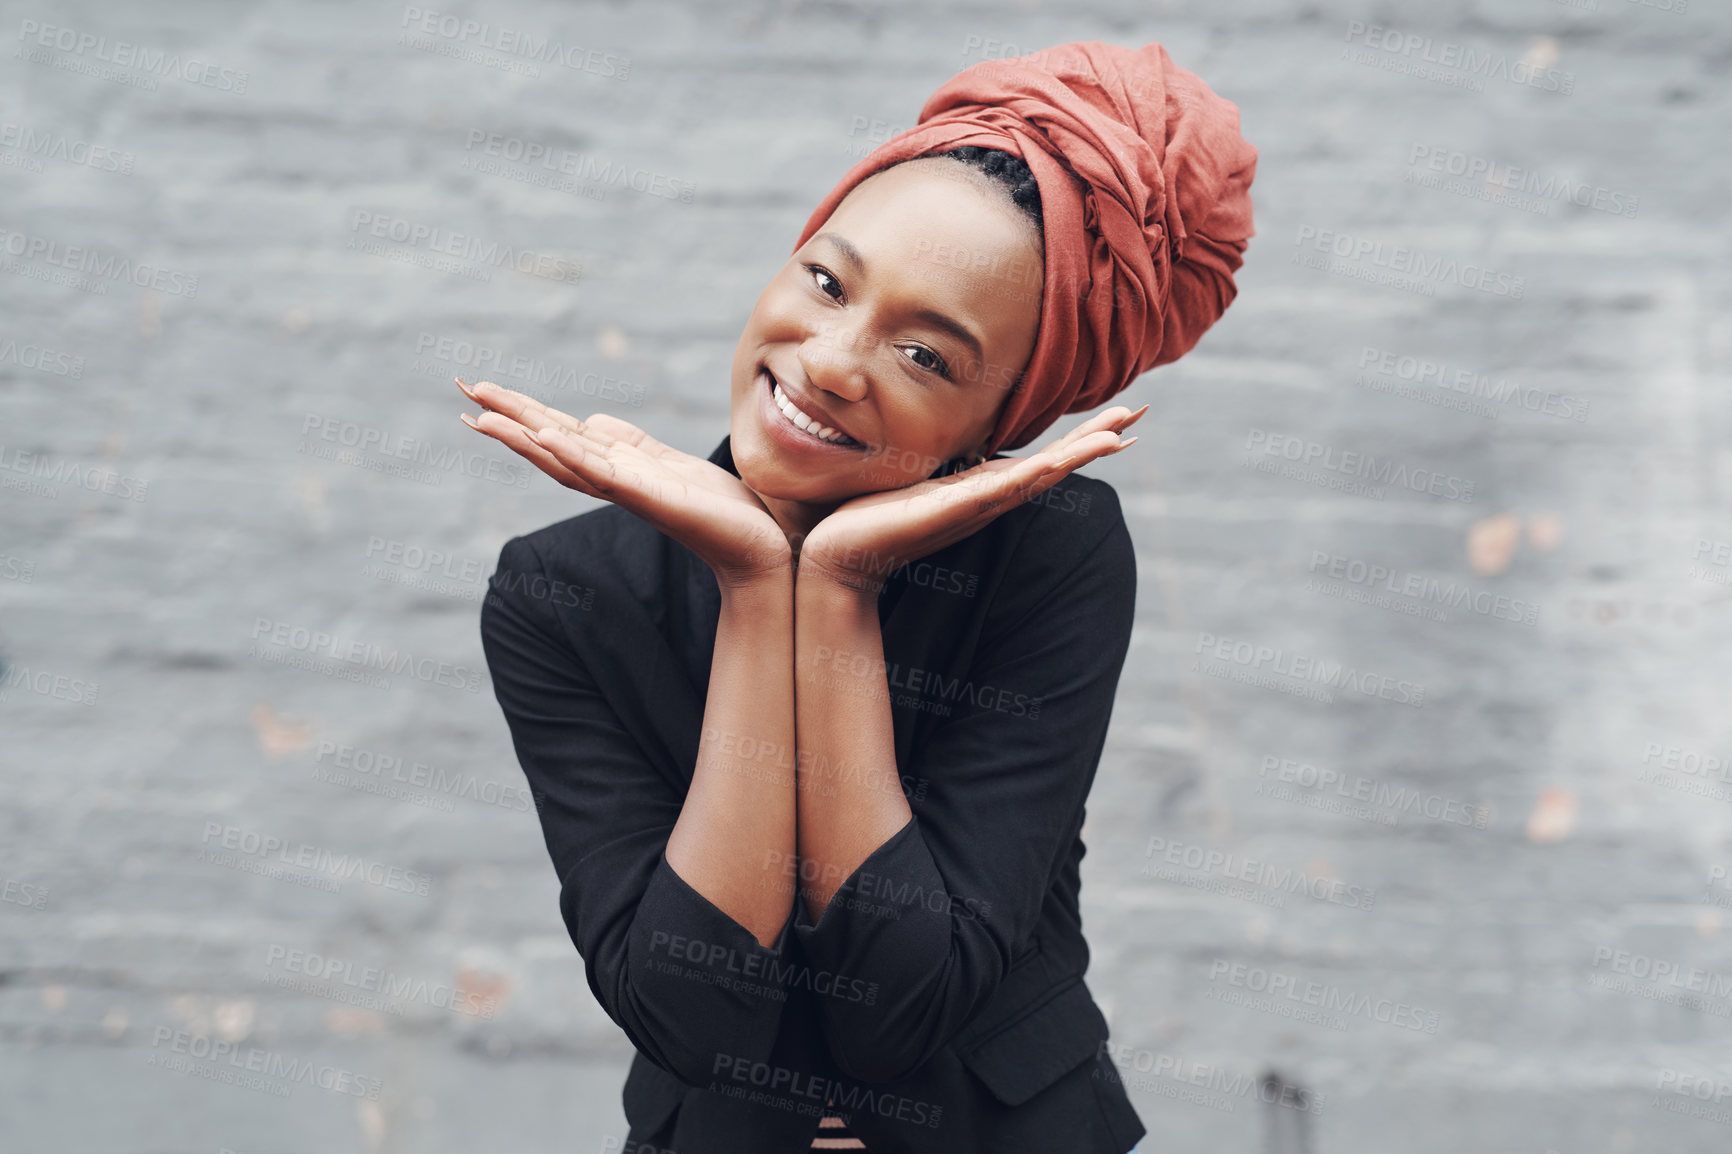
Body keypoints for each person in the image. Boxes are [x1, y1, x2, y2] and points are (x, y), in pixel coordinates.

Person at [463, 39, 1256, 1153]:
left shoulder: (1053, 553)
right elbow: (692, 1011)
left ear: (1003, 423)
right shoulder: (567, 592)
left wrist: (830, 587)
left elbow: (903, 1006)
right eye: (826, 281)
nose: (833, 360)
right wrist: (752, 582)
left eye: (928, 357)